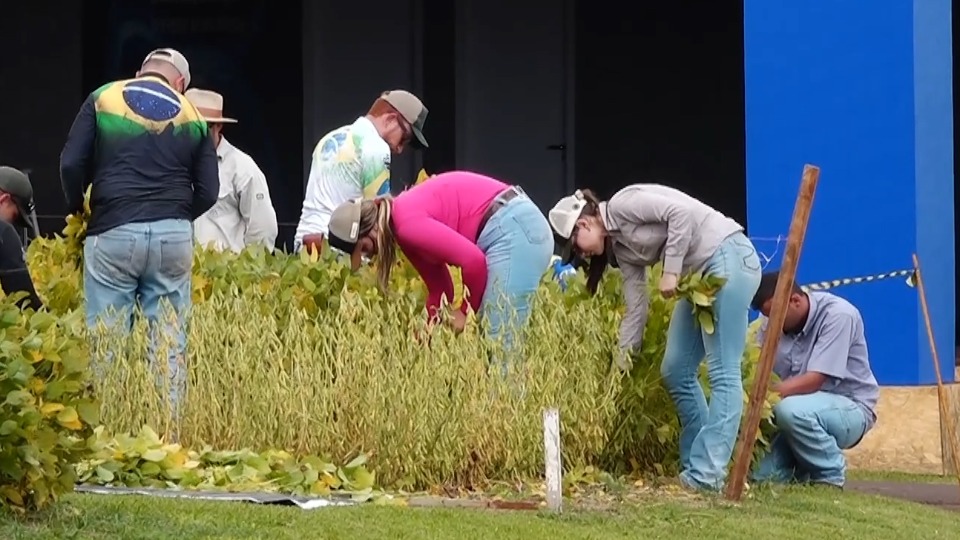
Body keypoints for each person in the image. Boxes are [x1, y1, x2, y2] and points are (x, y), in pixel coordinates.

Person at [548, 184, 762, 492]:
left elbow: (681, 214)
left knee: (723, 372)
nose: (582, 255)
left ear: (583, 224)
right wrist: (619, 368)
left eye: (577, 247)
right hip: (699, 279)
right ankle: (695, 464)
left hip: (727, 258)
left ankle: (707, 474)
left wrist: (670, 271)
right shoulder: (621, 251)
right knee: (675, 369)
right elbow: (636, 311)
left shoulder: (624, 204)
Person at [59, 47, 219, 421]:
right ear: (181, 83)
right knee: (167, 341)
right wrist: (177, 217)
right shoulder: (192, 113)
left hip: (112, 229)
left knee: (107, 339)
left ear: (139, 72)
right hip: (173, 238)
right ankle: (166, 434)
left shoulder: (104, 98)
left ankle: (108, 430)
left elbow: (70, 163)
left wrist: (78, 208)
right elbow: (210, 191)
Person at [324, 171, 553, 360]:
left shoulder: (407, 224)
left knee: (501, 344)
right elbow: (441, 289)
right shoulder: (402, 228)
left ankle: (511, 414)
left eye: (364, 248)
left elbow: (473, 262)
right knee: (495, 343)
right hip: (513, 224)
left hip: (513, 230)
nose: (370, 256)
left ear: (370, 229)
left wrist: (465, 312)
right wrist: (425, 334)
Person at [749, 271, 879, 489]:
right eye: (767, 316)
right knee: (762, 477)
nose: (771, 324)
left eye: (775, 315)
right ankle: (805, 468)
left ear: (795, 301)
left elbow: (815, 380)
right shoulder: (770, 319)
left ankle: (830, 474)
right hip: (794, 410)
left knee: (790, 410)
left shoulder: (839, 315)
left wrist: (763, 394)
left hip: (849, 407)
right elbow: (752, 362)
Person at [293, 89, 429, 254]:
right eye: (405, 138)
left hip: (304, 247)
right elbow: (381, 215)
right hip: (337, 252)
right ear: (390, 119)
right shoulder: (377, 148)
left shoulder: (329, 139)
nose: (400, 149)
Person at [185, 88, 278, 253]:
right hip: (179, 272)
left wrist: (245, 270)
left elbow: (263, 229)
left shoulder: (242, 167)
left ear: (219, 126)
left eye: (204, 125)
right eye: (190, 125)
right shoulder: (173, 162)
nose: (196, 132)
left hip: (226, 273)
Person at [0, 166, 43, 311]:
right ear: (4, 200)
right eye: (14, 216)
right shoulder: (3, 231)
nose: (11, 224)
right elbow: (23, 297)